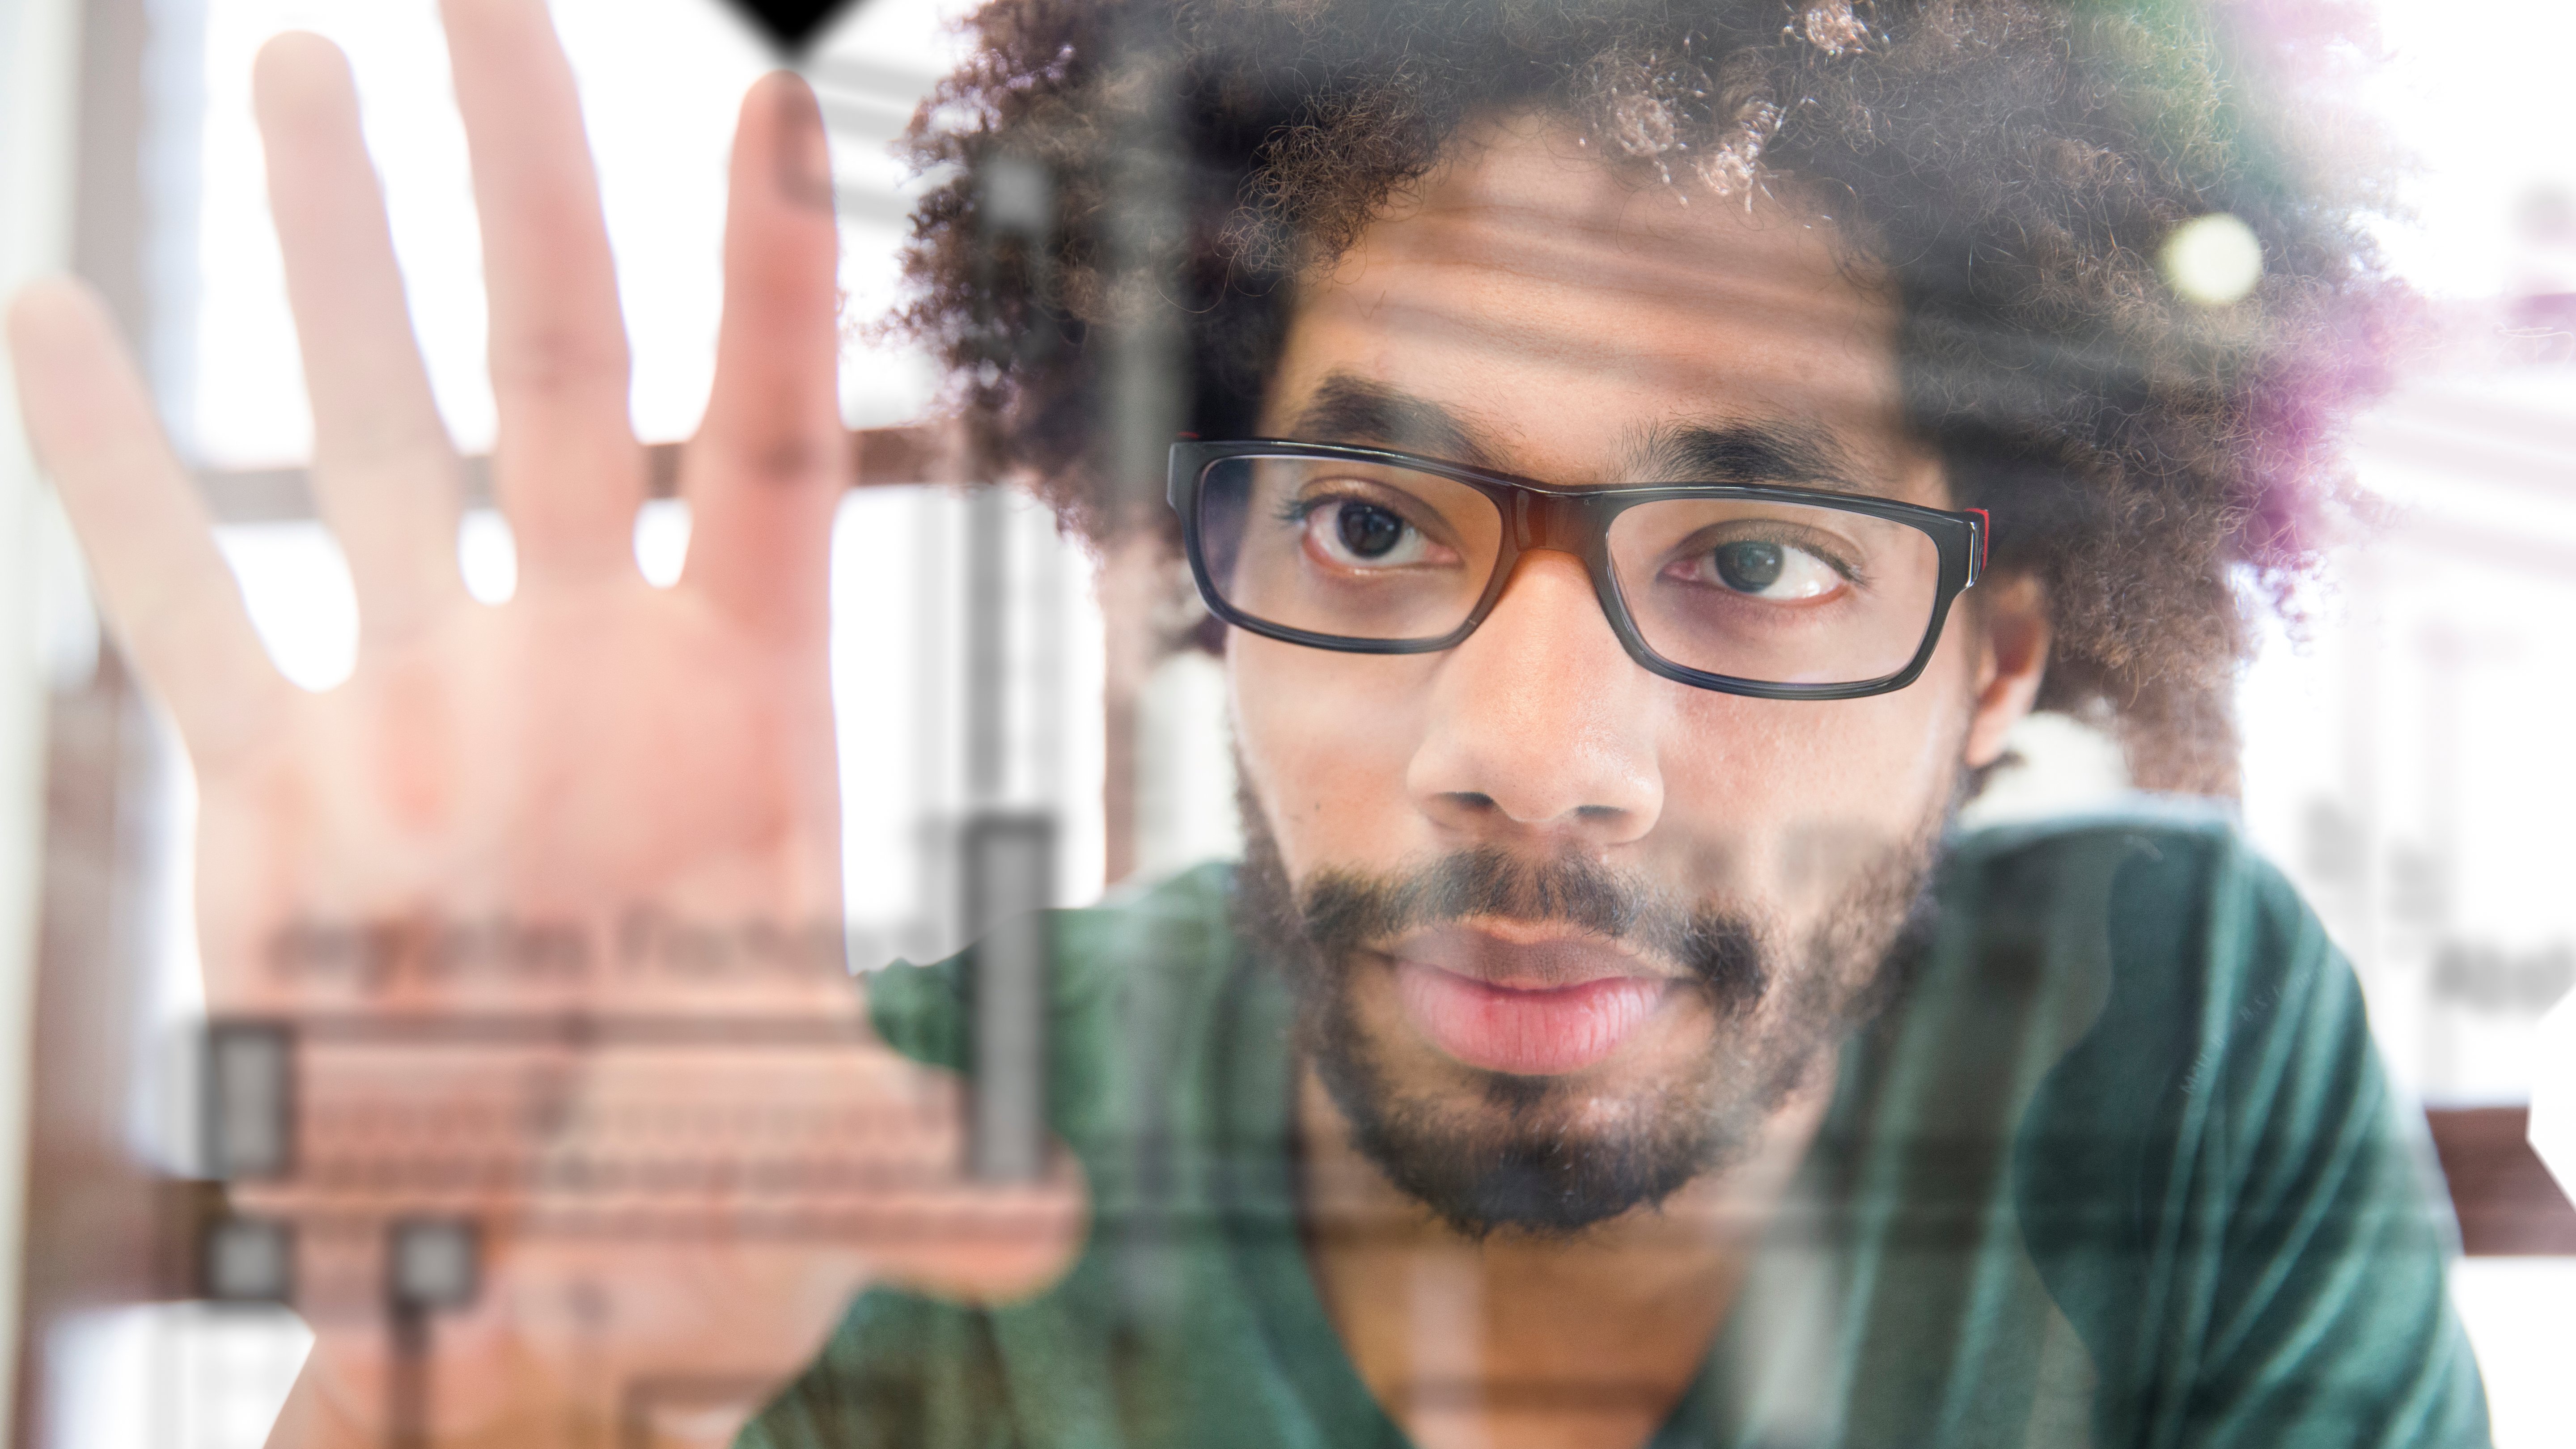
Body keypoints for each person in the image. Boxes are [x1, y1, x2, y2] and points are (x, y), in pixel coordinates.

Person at [3, 0, 2486, 1446]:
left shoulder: (2172, 1046)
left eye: (1750, 560)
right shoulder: (842, 1196)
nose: (1539, 746)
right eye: (1378, 526)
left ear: (2002, 665)